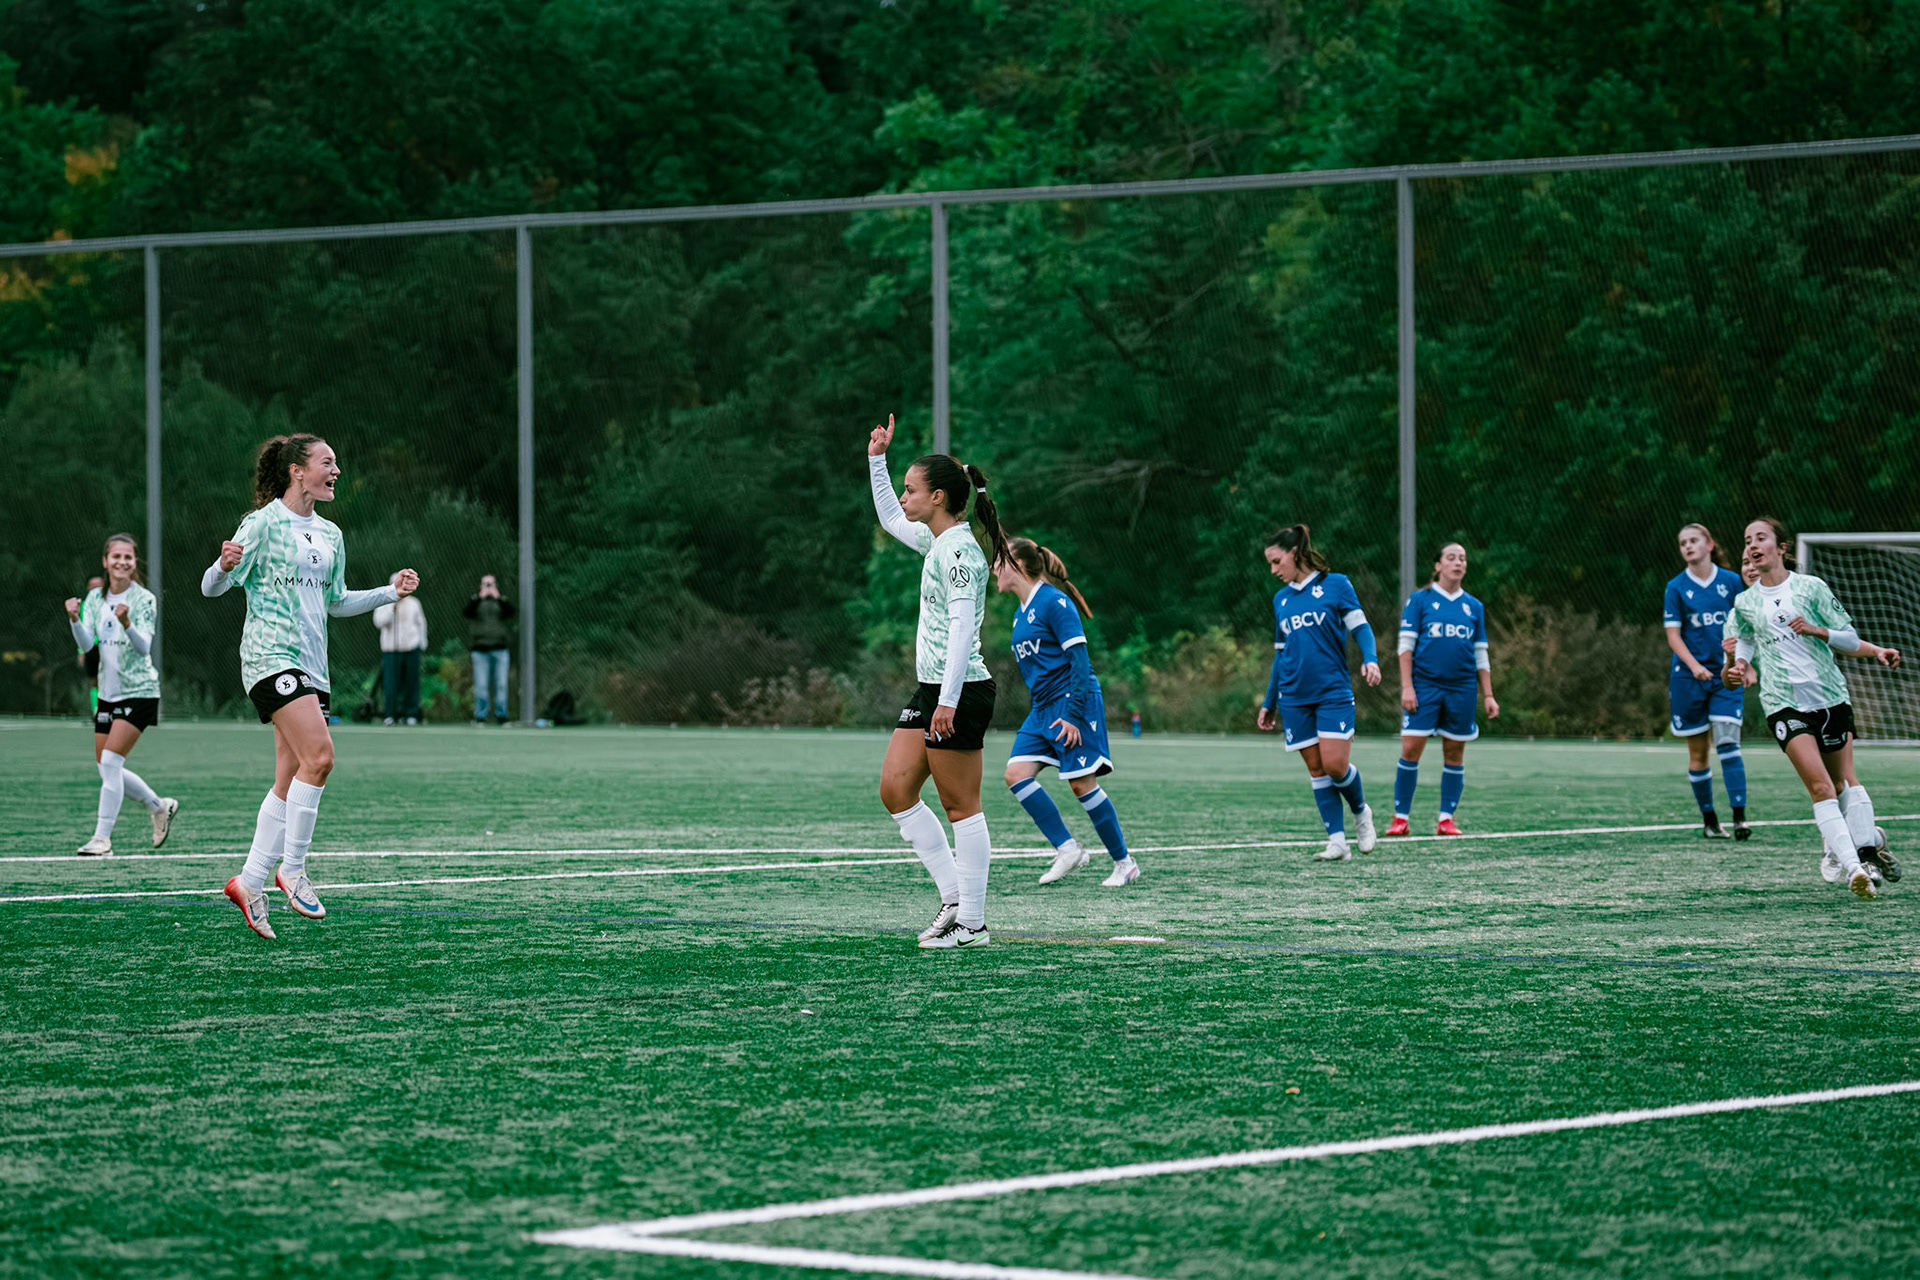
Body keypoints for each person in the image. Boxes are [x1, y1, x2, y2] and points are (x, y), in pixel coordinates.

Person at [201, 433, 419, 939]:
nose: (336, 470)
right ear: (298, 471)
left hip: (312, 668)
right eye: (327, 462)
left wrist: (391, 592)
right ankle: (291, 869)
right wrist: (222, 565)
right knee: (320, 757)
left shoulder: (331, 535)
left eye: (337, 462)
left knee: (290, 775)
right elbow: (212, 587)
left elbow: (335, 602)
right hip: (269, 657)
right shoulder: (261, 524)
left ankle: (250, 881)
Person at [867, 413, 1006, 948]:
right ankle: (954, 900)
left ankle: (972, 922)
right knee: (896, 789)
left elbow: (962, 633)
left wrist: (946, 702)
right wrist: (877, 461)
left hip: (961, 691)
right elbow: (888, 520)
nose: (904, 498)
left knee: (959, 807)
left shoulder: (961, 553)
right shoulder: (938, 542)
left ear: (941, 498)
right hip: (933, 691)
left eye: (911, 490)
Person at [1722, 517, 1901, 900]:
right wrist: (1736, 667)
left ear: (1781, 547)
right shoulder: (1744, 604)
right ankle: (1856, 867)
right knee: (1821, 786)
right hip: (1784, 705)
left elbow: (1849, 638)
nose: (1753, 546)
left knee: (1844, 784)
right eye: (1747, 540)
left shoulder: (1811, 588)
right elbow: (1742, 655)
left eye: (1761, 538)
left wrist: (1817, 630)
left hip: (1830, 698)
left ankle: (1866, 844)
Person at [993, 537, 1140, 888]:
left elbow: (1080, 661)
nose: (993, 568)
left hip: (1072, 702)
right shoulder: (1020, 614)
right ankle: (1068, 849)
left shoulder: (1054, 602)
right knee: (1016, 775)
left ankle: (1124, 863)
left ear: (1017, 565)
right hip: (1042, 708)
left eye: (1000, 561)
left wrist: (1074, 715)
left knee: (1080, 783)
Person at [1255, 524, 1381, 861]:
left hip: (1332, 691)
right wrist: (1270, 702)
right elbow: (1281, 655)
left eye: (1276, 561)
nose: (1273, 570)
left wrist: (1370, 659)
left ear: (1293, 553)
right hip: (1294, 697)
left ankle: (1361, 813)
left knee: (1336, 765)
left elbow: (1362, 628)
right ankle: (1337, 842)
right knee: (1316, 769)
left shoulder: (1336, 585)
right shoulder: (1280, 599)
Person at [64, 535, 176, 856]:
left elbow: (143, 648)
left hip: (139, 691)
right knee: (106, 766)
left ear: (134, 562)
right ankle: (158, 806)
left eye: (128, 557)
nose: (122, 562)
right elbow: (87, 645)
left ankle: (102, 839)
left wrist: (127, 623)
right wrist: (74, 619)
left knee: (112, 761)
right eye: (116, 556)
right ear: (105, 561)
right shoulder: (94, 600)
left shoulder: (144, 599)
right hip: (109, 694)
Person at [1387, 543, 1499, 836]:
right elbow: (1405, 647)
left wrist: (1488, 694)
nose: (1457, 563)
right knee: (1410, 748)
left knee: (1454, 753)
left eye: (1462, 558)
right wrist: (1407, 687)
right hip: (1424, 687)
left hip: (1461, 689)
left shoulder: (1473, 606)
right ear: (1437, 565)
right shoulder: (1419, 601)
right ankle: (1400, 818)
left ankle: (1446, 819)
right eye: (1451, 558)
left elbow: (1480, 654)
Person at [1663, 523, 1749, 839]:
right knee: (1698, 753)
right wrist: (1694, 666)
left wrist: (1746, 664)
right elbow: (1673, 636)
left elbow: (1746, 629)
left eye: (1693, 540)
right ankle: (1710, 820)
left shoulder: (1731, 582)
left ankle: (1740, 818)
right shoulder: (1675, 587)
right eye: (1683, 542)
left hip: (1727, 676)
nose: (1688, 546)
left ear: (1709, 543)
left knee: (1728, 742)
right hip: (1689, 679)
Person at [373, 574, 428, 725]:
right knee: (391, 683)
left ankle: (410, 713)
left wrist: (422, 644)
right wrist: (392, 607)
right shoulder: (383, 603)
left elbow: (421, 623)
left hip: (411, 648)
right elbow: (379, 622)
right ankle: (390, 713)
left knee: (411, 682)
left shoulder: (414, 603)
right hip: (391, 650)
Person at [463, 574, 516, 725]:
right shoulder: (475, 602)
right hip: (480, 651)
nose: (488, 586)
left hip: (500, 650)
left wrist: (498, 597)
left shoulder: (501, 601)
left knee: (501, 684)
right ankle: (480, 716)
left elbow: (510, 613)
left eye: (491, 584)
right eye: (485, 584)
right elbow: (467, 613)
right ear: (480, 585)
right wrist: (479, 597)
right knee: (481, 685)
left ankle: (502, 716)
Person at [77, 573, 104, 714]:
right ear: (88, 588)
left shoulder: (110, 603)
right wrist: (81, 651)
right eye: (92, 586)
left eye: (98, 586)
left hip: (108, 646)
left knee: (110, 679)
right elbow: (81, 628)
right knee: (94, 681)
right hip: (91, 648)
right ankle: (96, 712)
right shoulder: (84, 605)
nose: (95, 589)